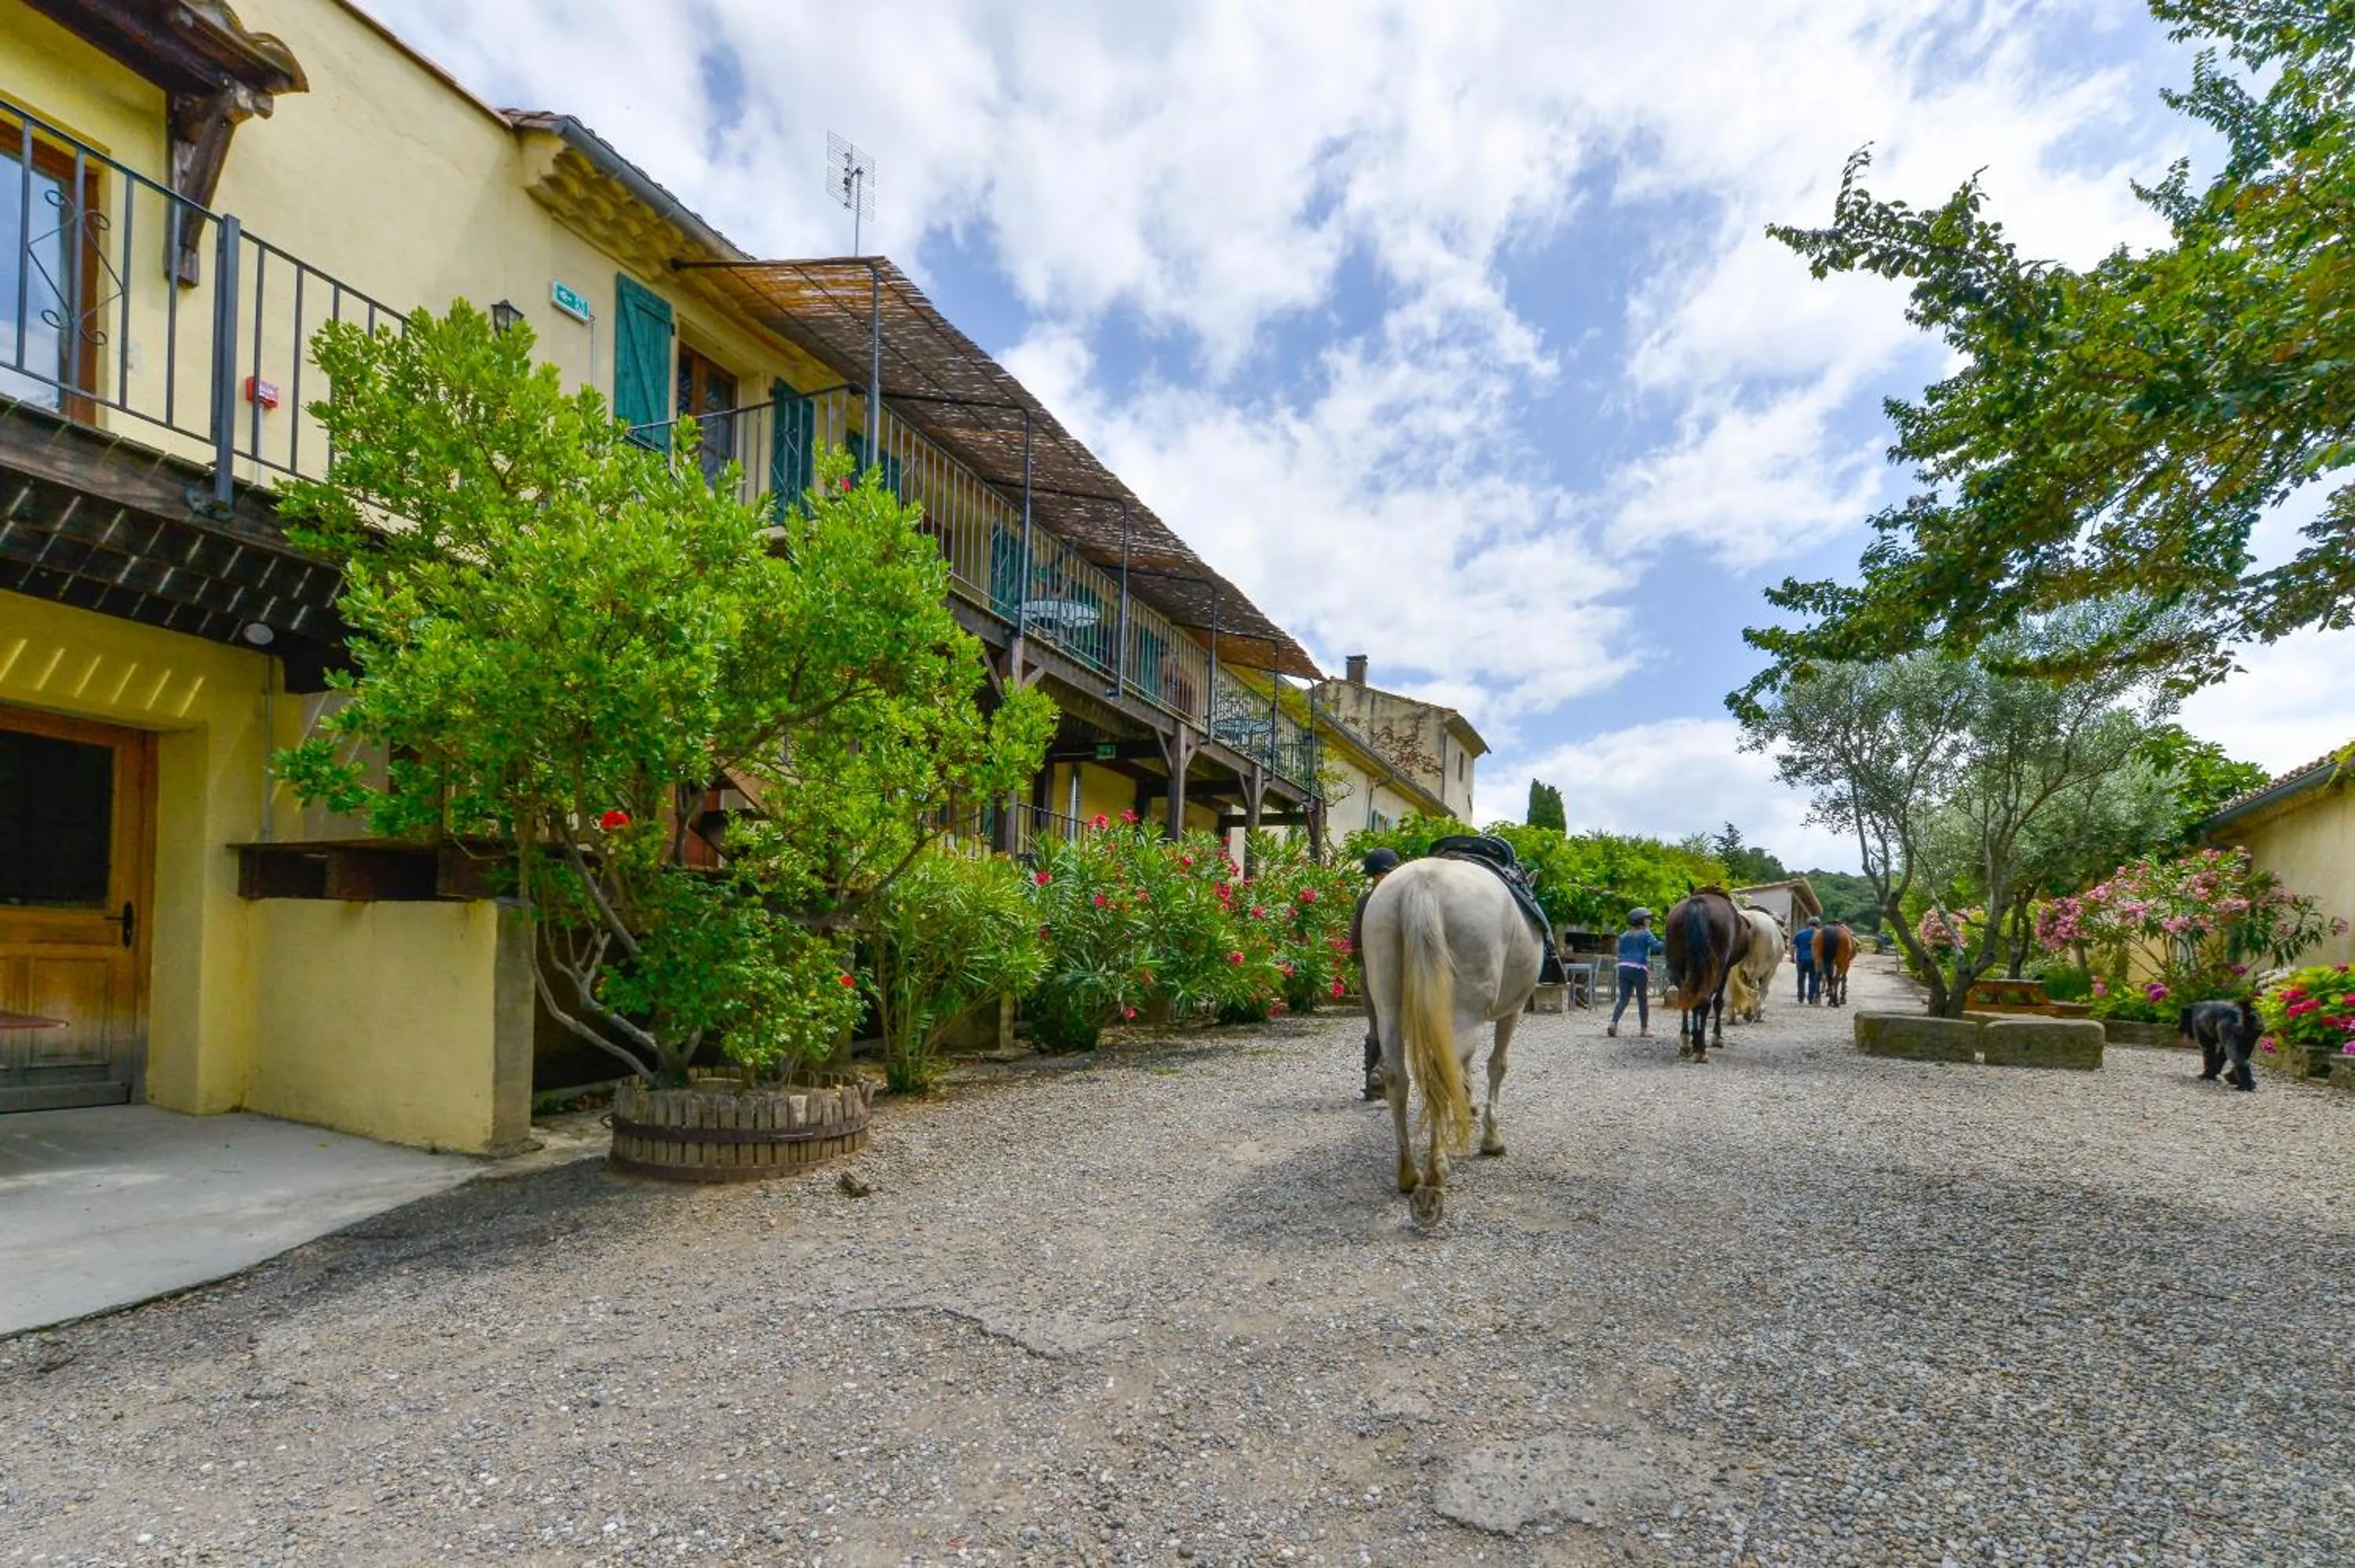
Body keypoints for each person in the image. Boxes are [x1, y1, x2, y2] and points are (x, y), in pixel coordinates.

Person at [1352, 848, 1401, 1099]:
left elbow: (1355, 941)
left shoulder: (1365, 901)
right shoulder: (1404, 900)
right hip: (1402, 970)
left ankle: (1374, 1085)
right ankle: (1384, 1074)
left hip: (1371, 969)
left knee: (1376, 1024)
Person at [1607, 907, 1665, 1037]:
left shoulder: (1624, 935)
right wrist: (1667, 941)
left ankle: (1613, 1023)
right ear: (1641, 921)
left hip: (1623, 967)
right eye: (1648, 919)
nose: (1649, 921)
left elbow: (1619, 951)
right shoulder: (1646, 933)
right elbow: (1657, 947)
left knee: (1623, 998)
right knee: (1642, 999)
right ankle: (1644, 1029)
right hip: (1638, 968)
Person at [1793, 915, 1820, 1004]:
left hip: (1801, 959)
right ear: (1818, 924)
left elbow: (1793, 946)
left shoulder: (1800, 933)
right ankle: (1811, 997)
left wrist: (1793, 957)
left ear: (1808, 924)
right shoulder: (1820, 934)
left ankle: (1801, 996)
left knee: (1801, 978)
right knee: (1813, 978)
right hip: (1814, 959)